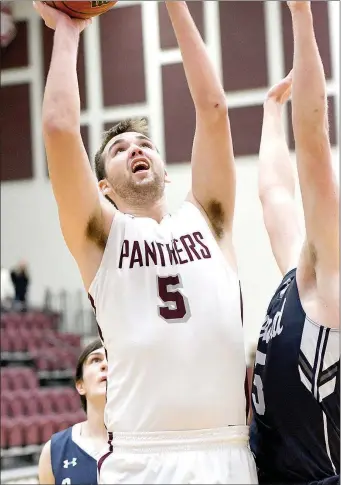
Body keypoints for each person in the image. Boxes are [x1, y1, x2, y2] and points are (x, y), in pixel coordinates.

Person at [34, 0, 257, 483]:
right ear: (104, 189)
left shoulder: (210, 220)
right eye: (118, 149)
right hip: (142, 458)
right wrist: (68, 28)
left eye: (144, 145)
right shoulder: (100, 237)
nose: (135, 148)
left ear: (164, 171)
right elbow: (57, 128)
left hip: (227, 452)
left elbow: (214, 108)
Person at [250, 2, 340, 483]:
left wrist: (302, 14)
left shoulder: (332, 283)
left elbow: (312, 141)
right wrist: (269, 112)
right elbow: (274, 196)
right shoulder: (298, 278)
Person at [38, 339, 108, 485]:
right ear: (80, 385)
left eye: (112, 359)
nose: (105, 364)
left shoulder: (148, 443)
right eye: (96, 359)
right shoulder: (53, 450)